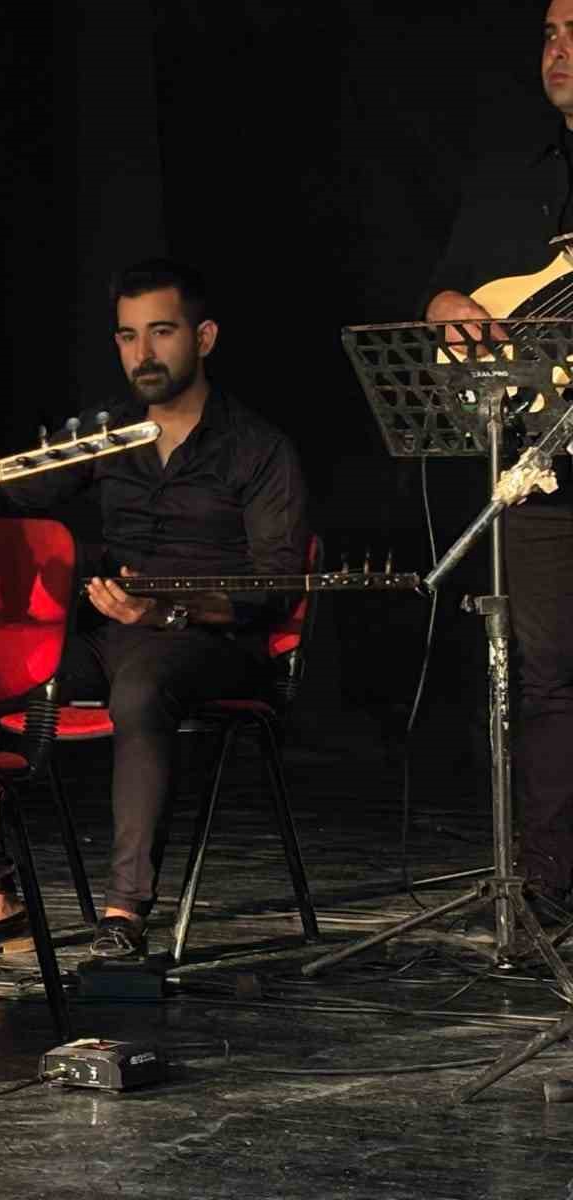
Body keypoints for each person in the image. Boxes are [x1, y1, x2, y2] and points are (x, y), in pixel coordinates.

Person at [0, 258, 309, 959]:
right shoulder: (111, 435)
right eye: (128, 336)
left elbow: (277, 588)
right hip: (117, 634)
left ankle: (124, 912)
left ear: (203, 337)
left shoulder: (258, 449)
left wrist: (169, 614)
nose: (143, 353)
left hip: (217, 642)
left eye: (161, 332)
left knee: (141, 688)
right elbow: (14, 493)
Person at [422, 0, 573, 923]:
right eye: (552, 33)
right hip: (540, 473)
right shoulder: (515, 178)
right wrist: (450, 314)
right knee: (544, 674)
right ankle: (555, 887)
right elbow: (449, 286)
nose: (559, 51)